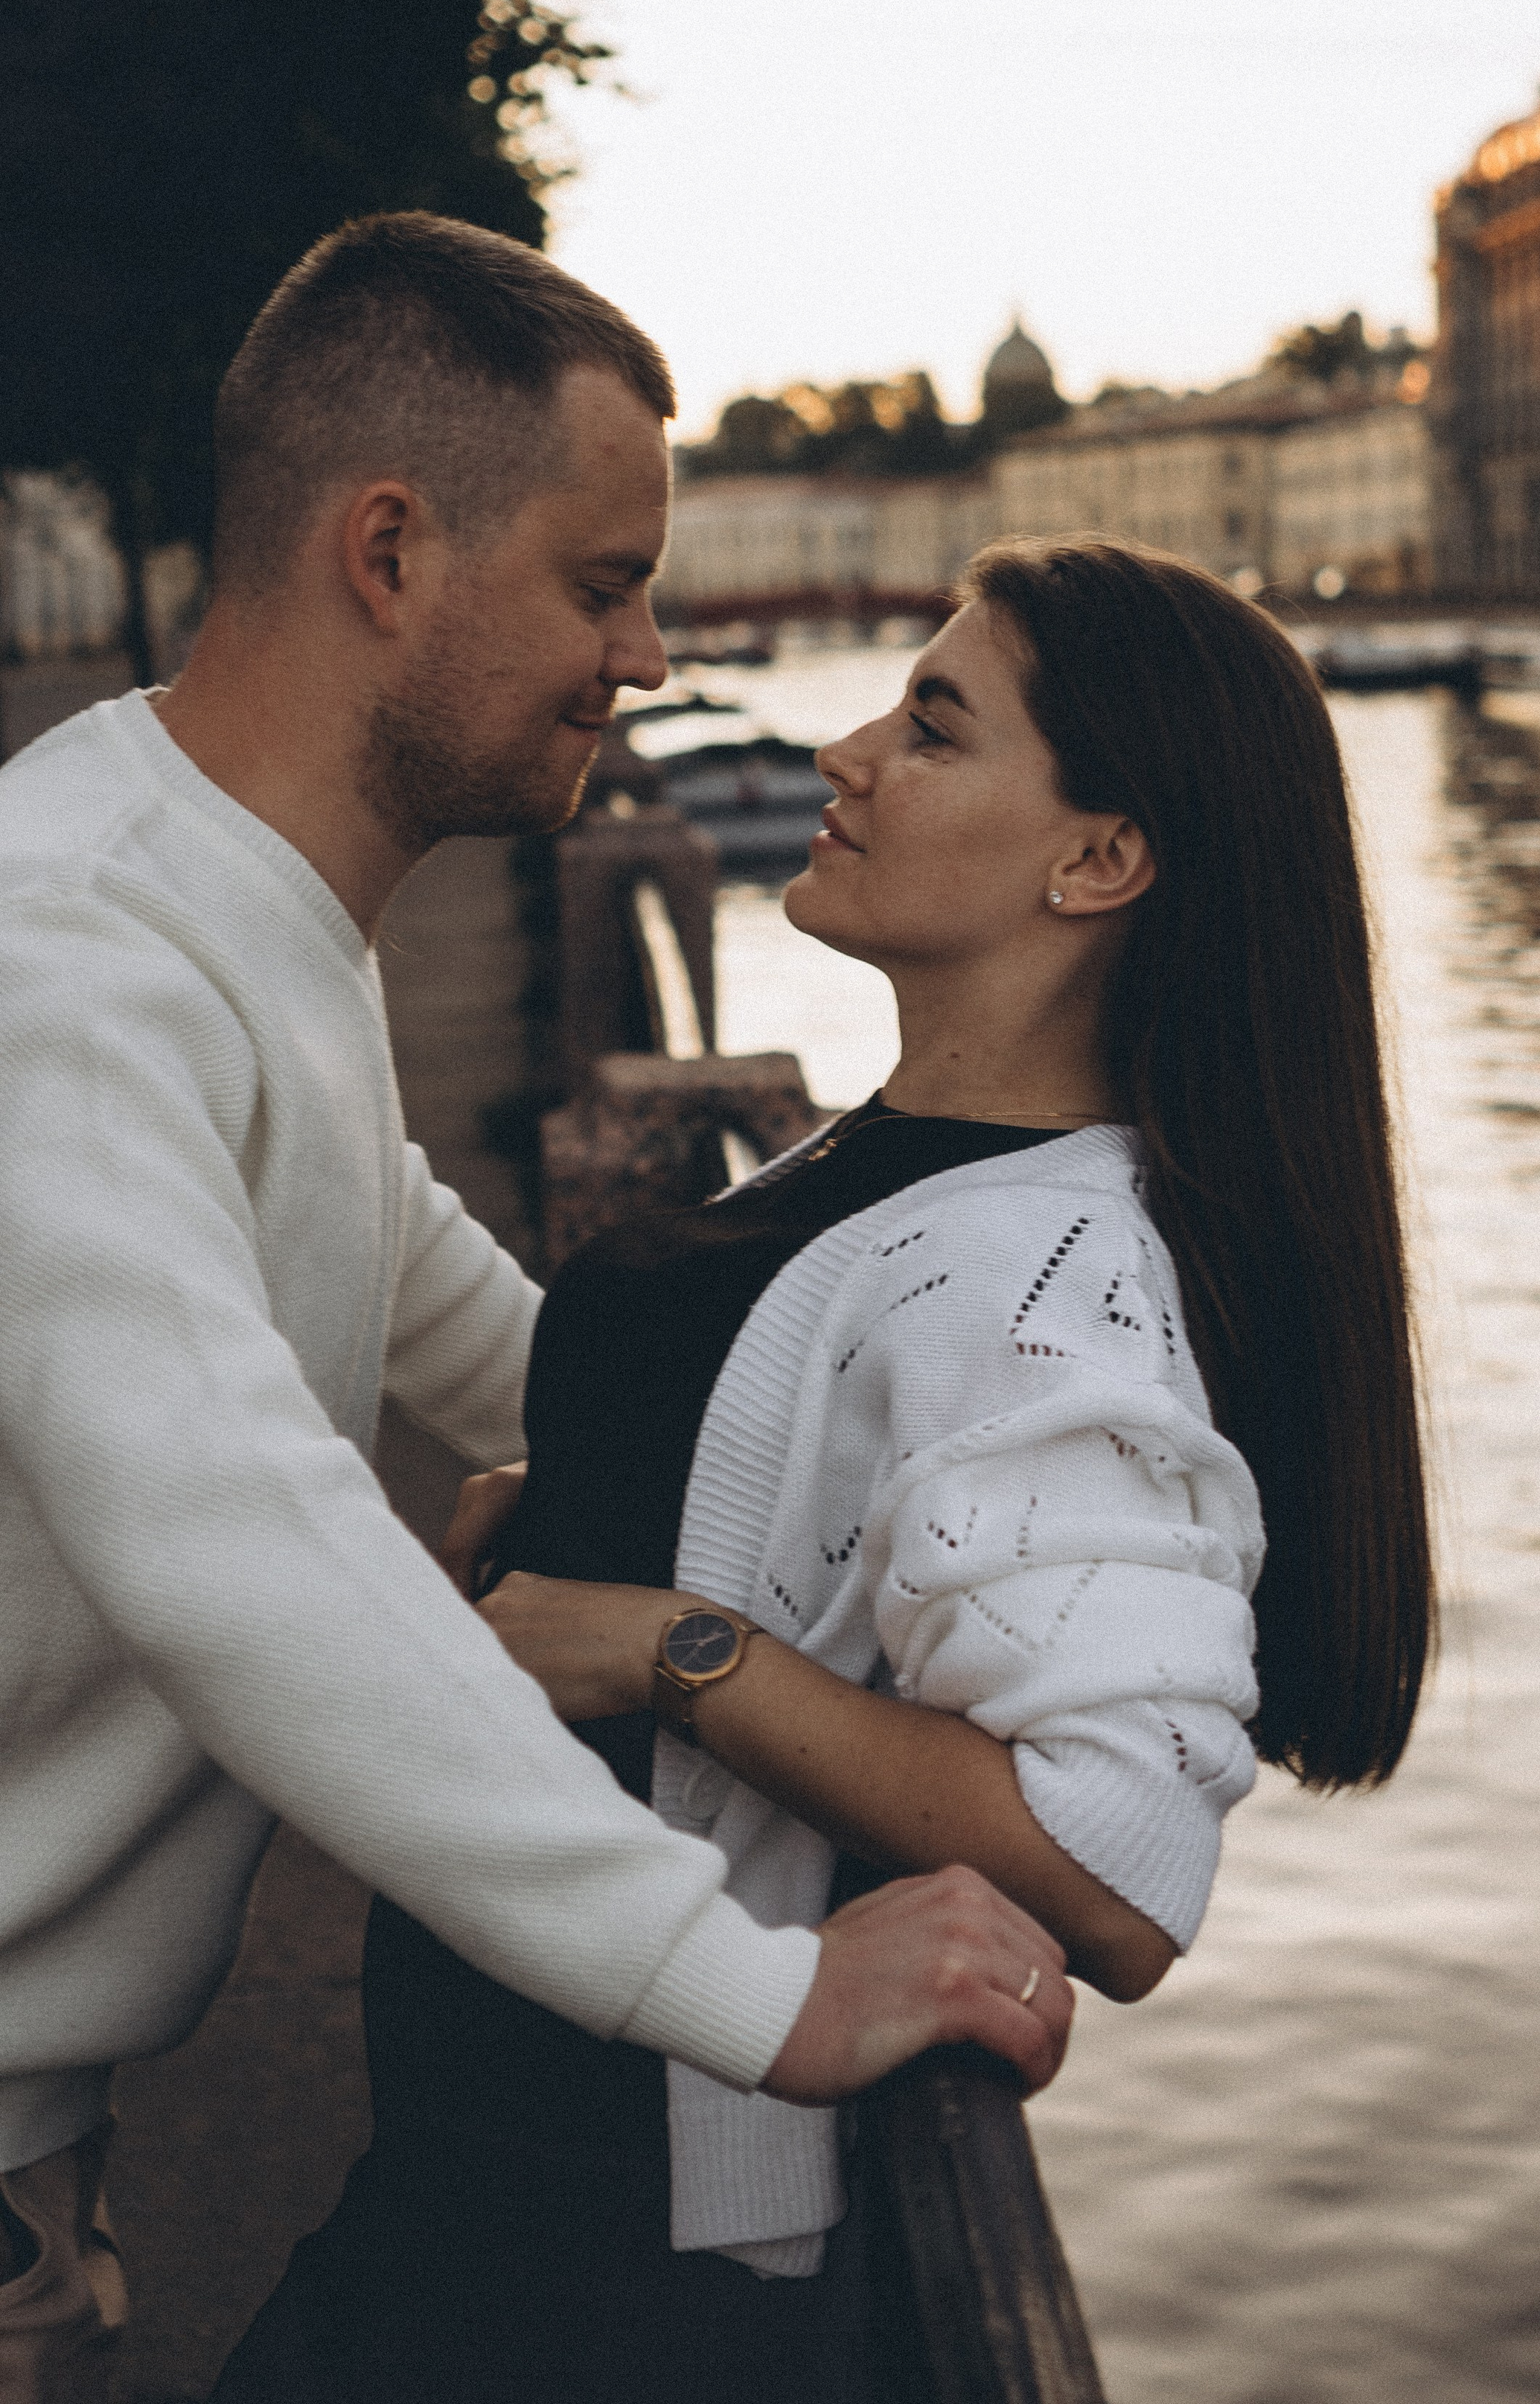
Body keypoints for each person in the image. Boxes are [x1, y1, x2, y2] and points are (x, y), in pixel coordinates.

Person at [0, 216, 1069, 2404]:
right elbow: (245, 1545)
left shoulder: (227, 908)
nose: (652, 654)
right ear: (390, 550)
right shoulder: (78, 967)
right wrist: (754, 1991)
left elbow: (437, 1289)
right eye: (606, 584)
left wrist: (909, 1541)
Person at [240, 535, 1437, 2400]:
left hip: (622, 2271)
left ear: (1097, 860)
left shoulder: (1047, 1280)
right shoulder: (905, 1172)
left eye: (934, 727)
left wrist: (663, 1646)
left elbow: (1113, 1863)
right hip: (503, 2179)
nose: (848, 752)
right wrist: (559, 1522)